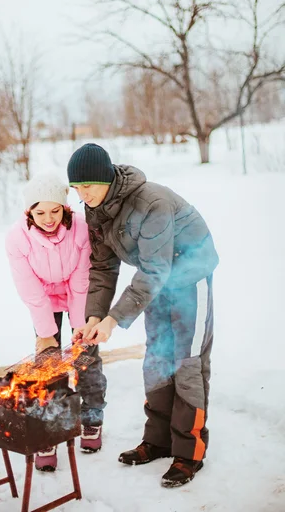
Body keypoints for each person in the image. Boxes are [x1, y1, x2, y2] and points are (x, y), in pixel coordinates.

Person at [67, 143, 219, 488]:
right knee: (156, 358)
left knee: (186, 361)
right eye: (77, 188)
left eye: (88, 185)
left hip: (189, 276)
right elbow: (103, 267)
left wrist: (114, 319)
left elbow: (154, 270)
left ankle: (188, 451)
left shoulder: (151, 202)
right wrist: (94, 317)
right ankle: (158, 440)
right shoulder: (97, 208)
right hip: (155, 280)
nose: (83, 194)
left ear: (106, 179)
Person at [5, 170, 107, 472]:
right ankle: (50, 427)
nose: (48, 218)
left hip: (77, 289)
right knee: (48, 360)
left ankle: (92, 418)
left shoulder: (81, 228)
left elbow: (81, 278)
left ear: (65, 208)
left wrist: (80, 324)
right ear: (29, 212)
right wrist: (47, 331)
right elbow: (29, 289)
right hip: (44, 296)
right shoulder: (16, 238)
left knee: (86, 354)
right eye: (40, 212)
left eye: (54, 210)